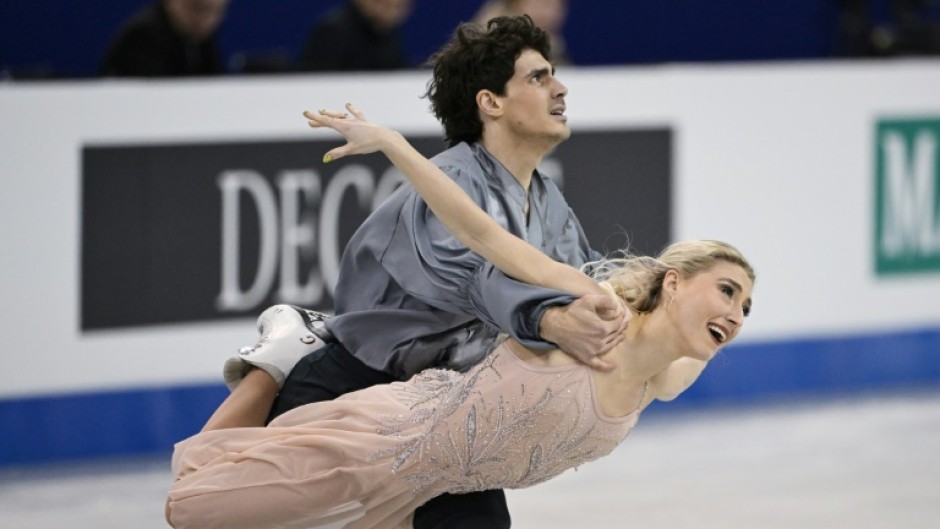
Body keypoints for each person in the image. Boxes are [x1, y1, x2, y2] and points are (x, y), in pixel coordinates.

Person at [165, 105, 756, 529]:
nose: (735, 314)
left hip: (440, 484)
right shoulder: (596, 312)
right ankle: (281, 357)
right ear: (674, 283)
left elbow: (691, 344)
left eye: (746, 307)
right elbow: (479, 231)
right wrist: (395, 145)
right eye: (727, 291)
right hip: (391, 436)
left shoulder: (666, 379)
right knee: (192, 509)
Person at [236, 15, 628, 529]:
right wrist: (550, 323)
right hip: (347, 391)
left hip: (437, 407)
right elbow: (477, 278)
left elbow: (582, 279)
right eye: (538, 77)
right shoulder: (448, 182)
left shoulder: (548, 202)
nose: (560, 87)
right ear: (490, 102)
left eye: (553, 73)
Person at [100, 0, 229, 77]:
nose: (206, 20)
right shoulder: (143, 36)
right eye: (196, 8)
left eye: (215, 11)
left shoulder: (201, 38)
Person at [296, 0, 413, 72]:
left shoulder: (386, 33)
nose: (391, 10)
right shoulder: (335, 30)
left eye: (398, 6)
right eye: (382, 3)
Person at [474, 0, 571, 64]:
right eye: (543, 4)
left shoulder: (552, 41)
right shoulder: (497, 31)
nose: (550, 13)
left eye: (557, 6)